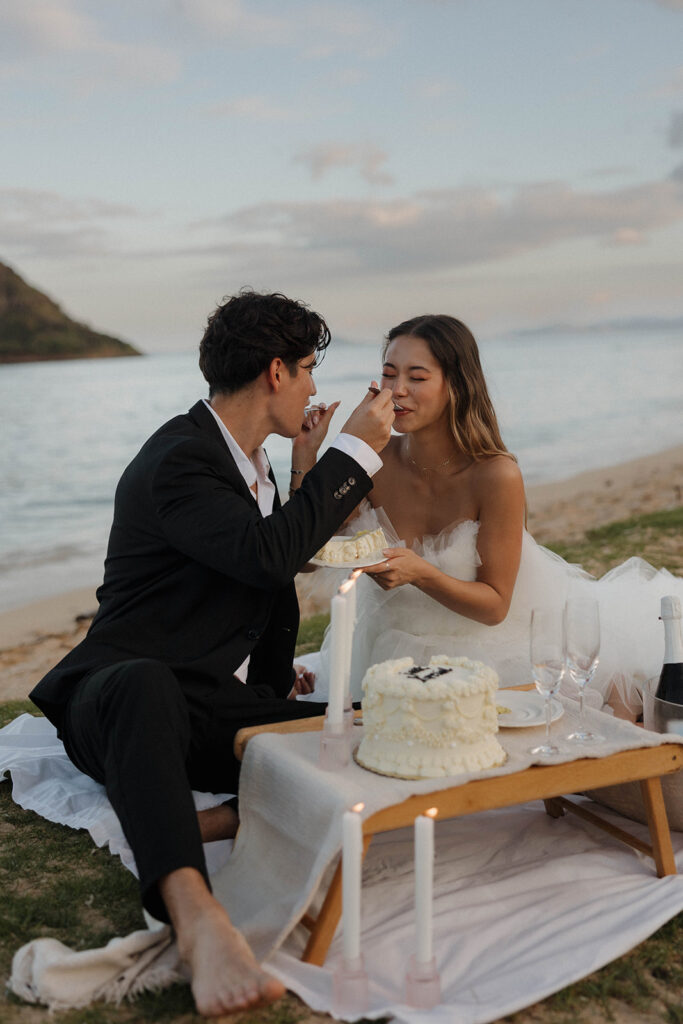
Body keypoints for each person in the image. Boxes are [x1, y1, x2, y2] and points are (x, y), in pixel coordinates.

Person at [28, 289, 395, 1017]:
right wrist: (354, 451)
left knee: (360, 725)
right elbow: (264, 558)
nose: (317, 386)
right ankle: (195, 917)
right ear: (276, 372)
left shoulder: (245, 465)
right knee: (144, 686)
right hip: (117, 699)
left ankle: (223, 815)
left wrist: (303, 471)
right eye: (310, 369)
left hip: (202, 702)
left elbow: (263, 567)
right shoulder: (180, 460)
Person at [301, 314, 683, 716]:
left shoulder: (495, 474)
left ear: (456, 385)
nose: (397, 391)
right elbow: (308, 556)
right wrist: (308, 456)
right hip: (383, 649)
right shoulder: (372, 459)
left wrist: (421, 573)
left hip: (490, 648)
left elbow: (496, 605)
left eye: (417, 377)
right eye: (389, 373)